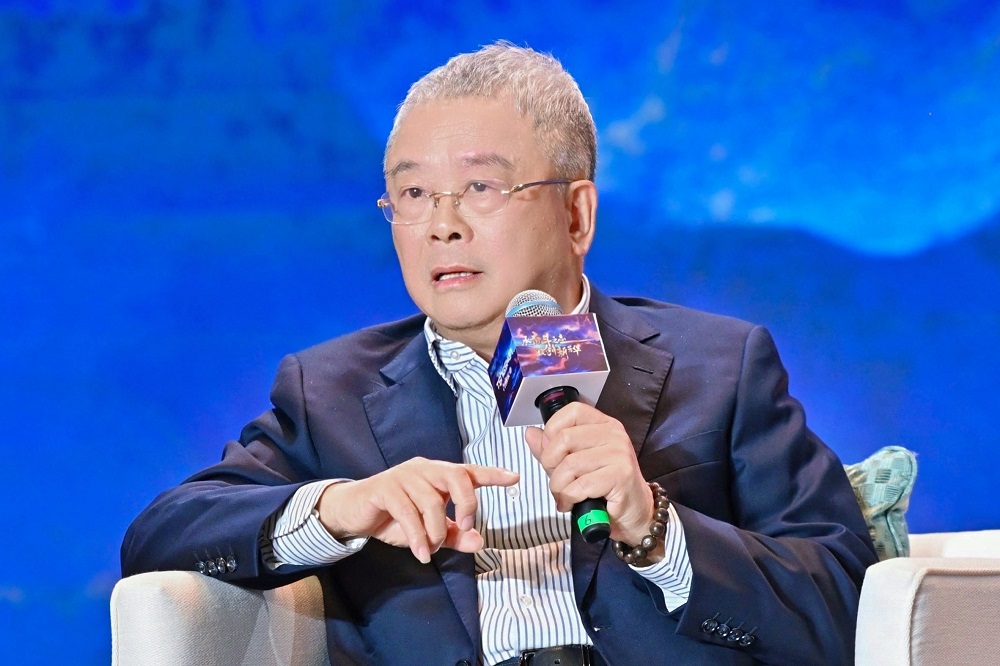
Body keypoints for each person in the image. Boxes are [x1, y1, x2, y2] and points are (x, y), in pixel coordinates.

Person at [121, 42, 877, 665]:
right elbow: (165, 533)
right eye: (413, 196)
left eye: (480, 187)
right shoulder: (329, 392)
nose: (441, 226)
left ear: (576, 215)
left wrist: (654, 527)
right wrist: (340, 506)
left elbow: (846, 601)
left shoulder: (721, 366)